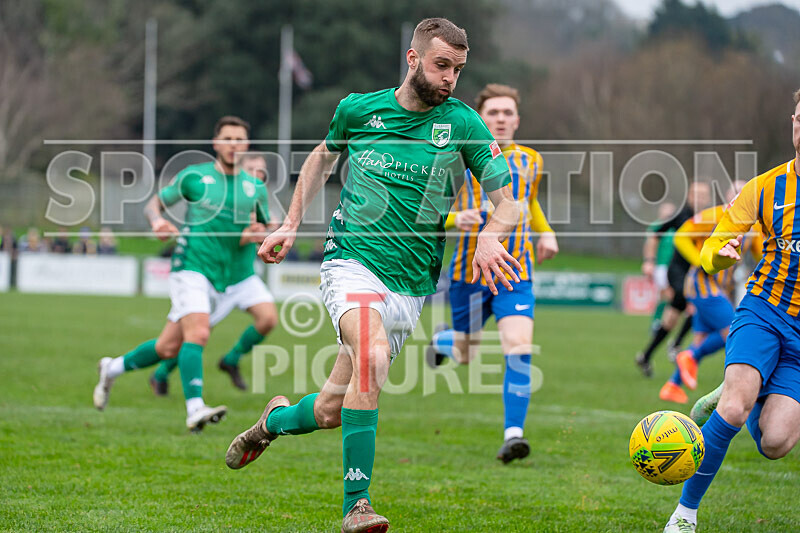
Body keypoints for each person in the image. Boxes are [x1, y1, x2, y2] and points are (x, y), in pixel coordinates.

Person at [224, 18, 521, 533]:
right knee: (373, 355)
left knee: (331, 412)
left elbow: (509, 204)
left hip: (410, 287)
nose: (450, 77)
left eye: (458, 69)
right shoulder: (359, 110)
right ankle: (356, 506)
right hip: (351, 263)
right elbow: (321, 157)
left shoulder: (465, 124)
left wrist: (492, 232)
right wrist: (290, 223)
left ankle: (272, 421)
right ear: (413, 59)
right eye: (441, 65)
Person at [662, 89, 800, 533]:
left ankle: (747, 387)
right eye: (799, 118)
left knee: (775, 443)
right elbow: (710, 256)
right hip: (763, 309)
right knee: (735, 409)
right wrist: (723, 253)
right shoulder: (764, 188)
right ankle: (685, 514)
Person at [92, 116, 271, 431]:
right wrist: (157, 221)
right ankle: (195, 408)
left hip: (228, 274)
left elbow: (264, 227)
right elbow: (154, 204)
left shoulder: (254, 187)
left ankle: (112, 368)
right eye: (227, 139)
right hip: (190, 265)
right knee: (199, 333)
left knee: (167, 348)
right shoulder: (195, 177)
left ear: (246, 145)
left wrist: (262, 234)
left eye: (239, 139)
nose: (233, 145)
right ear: (216, 144)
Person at [424, 83, 558, 463]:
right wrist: (454, 218)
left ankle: (513, 435)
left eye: (507, 113)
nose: (500, 119)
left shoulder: (531, 160)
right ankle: (445, 342)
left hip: (515, 270)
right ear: (481, 118)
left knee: (518, 348)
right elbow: (425, 208)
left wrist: (545, 233)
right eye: (493, 113)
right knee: (466, 354)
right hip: (469, 273)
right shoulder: (455, 157)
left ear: (517, 119)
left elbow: (528, 202)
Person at [148, 153, 279, 393]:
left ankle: (231, 359)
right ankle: (161, 373)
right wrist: (250, 235)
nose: (258, 175)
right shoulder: (225, 199)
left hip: (243, 275)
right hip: (215, 276)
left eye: (262, 171)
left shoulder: (253, 198)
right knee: (194, 334)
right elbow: (226, 239)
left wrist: (271, 229)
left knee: (268, 318)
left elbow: (268, 223)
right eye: (252, 169)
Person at [658, 182, 760, 404]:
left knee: (701, 339)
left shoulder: (756, 223)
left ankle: (672, 386)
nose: (742, 197)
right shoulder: (713, 215)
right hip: (703, 284)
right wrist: (701, 262)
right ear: (727, 195)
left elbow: (764, 254)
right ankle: (690, 356)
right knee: (734, 332)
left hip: (721, 287)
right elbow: (681, 236)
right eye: (737, 193)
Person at [636, 182, 711, 376]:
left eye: (703, 195)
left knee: (671, 318)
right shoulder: (681, 216)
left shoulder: (711, 217)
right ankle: (676, 345)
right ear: (689, 196)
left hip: (697, 271)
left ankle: (646, 356)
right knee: (697, 302)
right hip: (678, 271)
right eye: (696, 194)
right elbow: (654, 234)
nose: (699, 198)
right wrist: (649, 261)